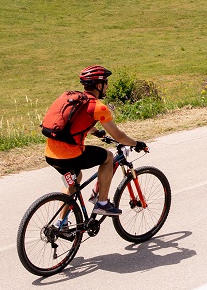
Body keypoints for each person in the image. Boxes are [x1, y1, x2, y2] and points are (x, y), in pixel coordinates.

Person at [44, 65, 147, 216]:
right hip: (71, 156)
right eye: (106, 83)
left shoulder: (77, 100)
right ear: (99, 85)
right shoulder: (98, 107)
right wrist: (137, 143)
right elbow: (118, 136)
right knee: (108, 158)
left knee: (74, 179)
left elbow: (74, 123)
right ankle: (103, 203)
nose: (107, 86)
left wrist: (96, 132)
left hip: (51, 155)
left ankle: (61, 223)